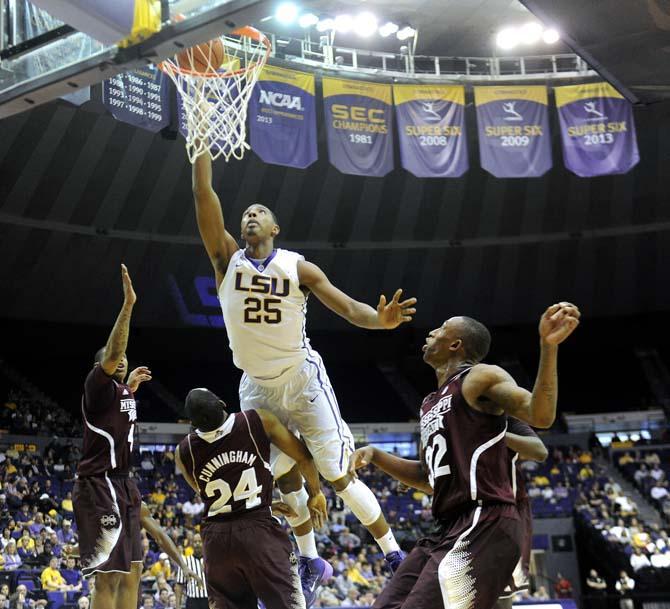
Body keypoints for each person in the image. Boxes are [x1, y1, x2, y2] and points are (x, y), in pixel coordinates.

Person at [191, 151, 416, 603]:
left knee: (335, 472)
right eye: (245, 213)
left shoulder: (297, 267)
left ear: (275, 229)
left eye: (260, 213)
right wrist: (198, 148)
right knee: (277, 480)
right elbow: (203, 193)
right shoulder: (225, 261)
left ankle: (393, 553)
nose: (251, 215)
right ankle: (312, 561)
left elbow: (351, 309)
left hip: (302, 377)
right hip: (255, 385)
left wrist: (381, 322)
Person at [349, 303, 580, 609]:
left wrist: (547, 348)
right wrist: (377, 455)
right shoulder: (429, 404)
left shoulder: (480, 377)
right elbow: (427, 477)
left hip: (485, 519)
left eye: (441, 328)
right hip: (446, 526)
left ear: (456, 344)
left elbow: (541, 416)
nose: (431, 332)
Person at [175, 387, 329, 609]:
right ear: (221, 403)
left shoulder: (184, 451)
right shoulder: (255, 420)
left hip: (216, 541)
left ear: (192, 422)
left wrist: (259, 501)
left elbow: (205, 493)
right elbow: (303, 456)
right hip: (258, 534)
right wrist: (316, 492)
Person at [72, 265, 152, 609]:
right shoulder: (96, 388)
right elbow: (114, 354)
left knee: (134, 570)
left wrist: (130, 388)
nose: (117, 361)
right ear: (98, 369)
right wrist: (129, 305)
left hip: (123, 484)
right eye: (109, 360)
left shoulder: (123, 393)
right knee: (108, 575)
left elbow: (120, 421)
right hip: (98, 485)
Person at [63, 502, 203, 587]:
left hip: (128, 578)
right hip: (106, 580)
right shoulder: (99, 508)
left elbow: (160, 536)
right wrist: (72, 551)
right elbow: (94, 548)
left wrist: (183, 565)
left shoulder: (137, 505)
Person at [496, 419, 548, 609]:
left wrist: (492, 434)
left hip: (507, 509)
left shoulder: (507, 421)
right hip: (468, 507)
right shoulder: (458, 419)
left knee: (501, 593)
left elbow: (540, 451)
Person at [174, 534, 207, 609]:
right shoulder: (185, 562)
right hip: (192, 601)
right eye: (195, 542)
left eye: (199, 541)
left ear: (204, 543)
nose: (197, 544)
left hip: (208, 600)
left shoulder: (210, 561)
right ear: (191, 544)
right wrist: (177, 606)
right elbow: (179, 585)